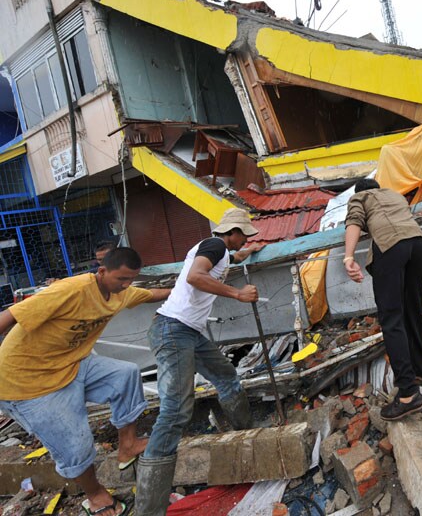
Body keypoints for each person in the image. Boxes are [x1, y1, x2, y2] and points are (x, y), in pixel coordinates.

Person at [0, 248, 171, 516]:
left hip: (70, 364)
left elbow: (151, 295)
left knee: (125, 374)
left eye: (130, 280)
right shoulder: (70, 290)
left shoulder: (119, 293)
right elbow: (10, 316)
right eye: (121, 279)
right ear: (102, 271)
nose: (125, 285)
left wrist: (186, 289)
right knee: (76, 445)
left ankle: (127, 446)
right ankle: (95, 495)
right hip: (27, 382)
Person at [136, 208, 263, 516]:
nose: (244, 238)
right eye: (243, 235)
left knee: (226, 376)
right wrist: (237, 293)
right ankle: (149, 507)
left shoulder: (221, 250)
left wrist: (247, 252)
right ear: (232, 232)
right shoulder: (214, 245)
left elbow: (221, 263)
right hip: (174, 329)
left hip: (188, 331)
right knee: (176, 409)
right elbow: (195, 276)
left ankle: (245, 434)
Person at [343, 179, 422, 421]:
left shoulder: (360, 198)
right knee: (412, 311)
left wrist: (348, 257)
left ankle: (407, 394)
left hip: (392, 248)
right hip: (419, 245)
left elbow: (353, 222)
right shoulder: (395, 194)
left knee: (391, 320)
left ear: (360, 192)